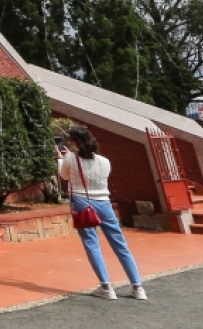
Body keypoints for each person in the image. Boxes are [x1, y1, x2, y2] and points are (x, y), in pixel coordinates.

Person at [59, 126, 147, 301]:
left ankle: (106, 286)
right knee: (120, 244)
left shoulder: (70, 158)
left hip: (82, 202)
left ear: (75, 142)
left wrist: (61, 160)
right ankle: (137, 286)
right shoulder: (105, 161)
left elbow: (64, 177)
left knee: (92, 244)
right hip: (104, 203)